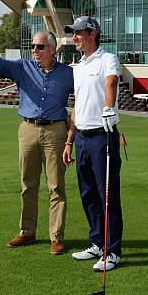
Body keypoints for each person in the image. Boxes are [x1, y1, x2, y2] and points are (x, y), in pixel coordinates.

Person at [0, 31, 74, 255]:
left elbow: (85, 96)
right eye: (33, 46)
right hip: (28, 129)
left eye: (40, 47)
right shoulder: (23, 67)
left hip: (56, 131)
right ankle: (27, 232)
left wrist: (72, 135)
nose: (35, 50)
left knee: (56, 187)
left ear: (52, 49)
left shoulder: (68, 74)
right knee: (28, 185)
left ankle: (56, 237)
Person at [62, 16, 123, 272]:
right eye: (73, 33)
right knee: (88, 194)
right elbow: (77, 104)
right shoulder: (79, 66)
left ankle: (112, 252)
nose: (74, 37)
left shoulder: (108, 59)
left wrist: (109, 108)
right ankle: (97, 244)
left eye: (78, 33)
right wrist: (69, 140)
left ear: (92, 33)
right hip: (83, 139)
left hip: (102, 136)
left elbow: (111, 82)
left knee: (107, 196)